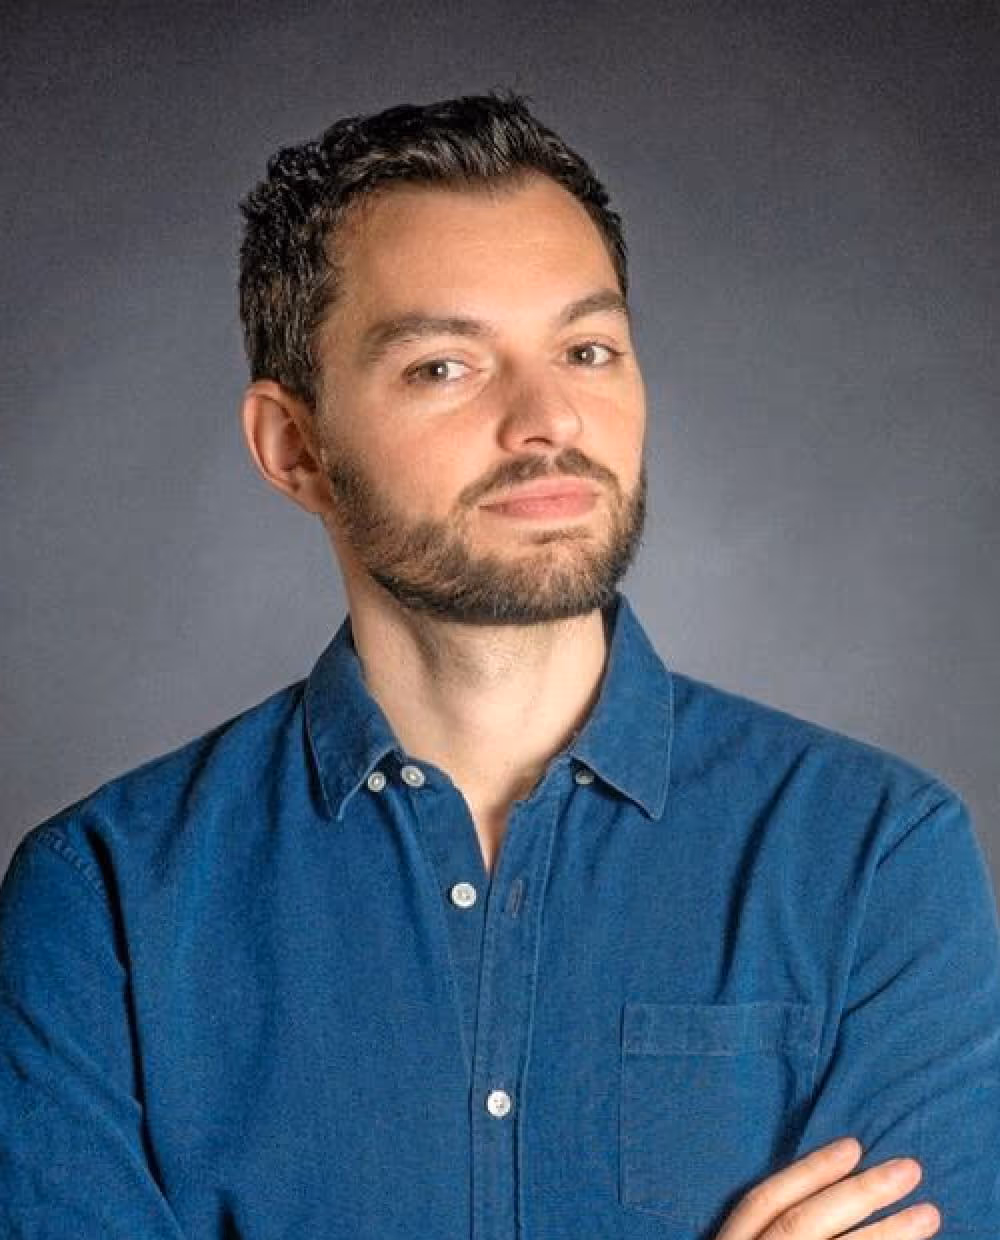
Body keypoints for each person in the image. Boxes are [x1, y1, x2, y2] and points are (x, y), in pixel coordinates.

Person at [0, 91, 996, 1240]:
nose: (547, 419)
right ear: (295, 445)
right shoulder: (102, 902)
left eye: (586, 350)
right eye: (445, 366)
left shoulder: (878, 859)